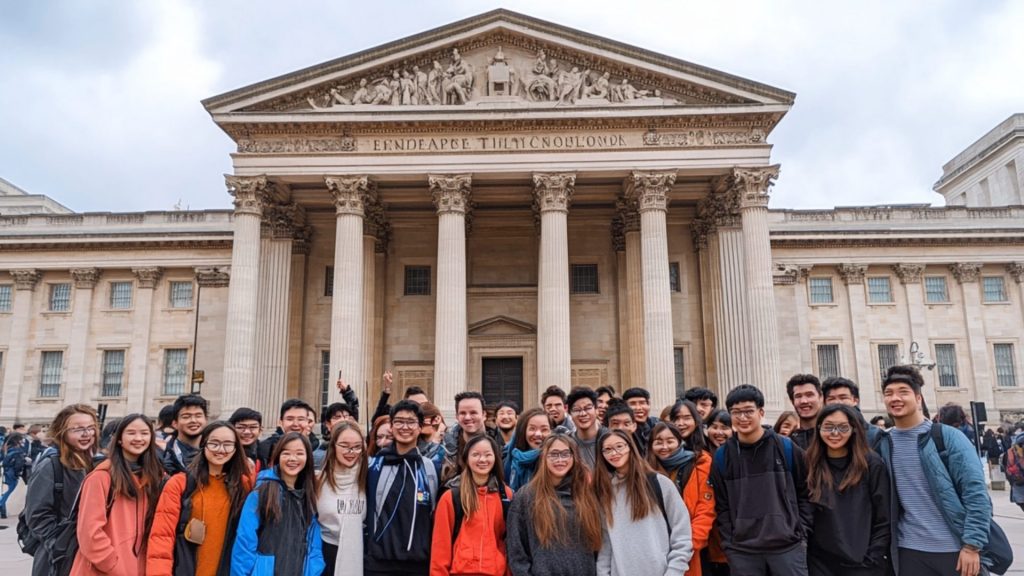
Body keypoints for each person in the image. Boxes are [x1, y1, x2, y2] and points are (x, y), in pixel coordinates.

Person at [875, 365, 991, 576]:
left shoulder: (947, 437)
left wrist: (972, 545)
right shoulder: (882, 442)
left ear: (918, 398)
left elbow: (976, 492)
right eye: (888, 393)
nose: (895, 398)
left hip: (955, 550)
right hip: (908, 551)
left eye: (903, 392)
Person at [711, 384, 812, 576]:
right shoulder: (722, 456)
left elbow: (806, 492)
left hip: (787, 547)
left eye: (749, 411)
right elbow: (722, 506)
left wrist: (801, 532)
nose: (742, 417)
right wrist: (730, 543)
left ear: (761, 412)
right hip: (742, 551)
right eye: (736, 412)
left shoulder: (786, 448)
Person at [148, 421, 253, 576]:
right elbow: (162, 536)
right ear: (204, 444)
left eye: (228, 444)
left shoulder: (244, 485)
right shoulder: (180, 483)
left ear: (236, 448)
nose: (221, 450)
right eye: (214, 443)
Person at [71, 414, 164, 576]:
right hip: (103, 570)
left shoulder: (156, 478)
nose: (138, 438)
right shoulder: (101, 478)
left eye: (144, 433)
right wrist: (112, 564)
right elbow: (89, 533)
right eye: (131, 433)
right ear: (119, 439)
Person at [805, 404, 891, 576]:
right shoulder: (809, 462)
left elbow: (884, 516)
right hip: (819, 563)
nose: (835, 433)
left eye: (843, 427)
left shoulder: (871, 463)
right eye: (828, 427)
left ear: (854, 429)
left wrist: (873, 558)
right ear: (819, 428)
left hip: (862, 563)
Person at [595, 429, 693, 576]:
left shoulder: (659, 483)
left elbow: (682, 534)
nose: (614, 453)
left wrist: (674, 572)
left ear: (630, 447)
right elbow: (606, 544)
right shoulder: (606, 492)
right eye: (607, 450)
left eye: (619, 446)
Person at [507, 434, 603, 576]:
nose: (560, 460)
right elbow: (516, 550)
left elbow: (598, 548)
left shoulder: (587, 494)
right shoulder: (526, 496)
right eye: (553, 454)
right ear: (544, 457)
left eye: (565, 454)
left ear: (574, 457)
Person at [232, 432, 324, 576]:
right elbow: (245, 541)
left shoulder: (310, 495)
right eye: (286, 453)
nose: (292, 458)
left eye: (299, 453)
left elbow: (314, 547)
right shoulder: (262, 492)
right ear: (277, 456)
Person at [24, 404, 101, 576]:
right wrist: (60, 546)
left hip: (90, 553)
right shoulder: (50, 465)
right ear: (62, 432)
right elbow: (37, 516)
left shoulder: (96, 463)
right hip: (59, 557)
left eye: (91, 428)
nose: (86, 434)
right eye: (78, 429)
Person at [364, 400, 439, 576]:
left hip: (418, 564)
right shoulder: (374, 466)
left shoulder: (430, 468)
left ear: (420, 427)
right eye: (399, 421)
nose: (405, 427)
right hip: (379, 564)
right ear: (391, 426)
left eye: (411, 422)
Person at [430, 435, 514, 576]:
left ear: (495, 458)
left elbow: (510, 542)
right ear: (466, 459)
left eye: (488, 455)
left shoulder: (506, 495)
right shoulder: (451, 497)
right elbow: (440, 547)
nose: (482, 460)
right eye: (476, 455)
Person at [648, 422, 715, 576]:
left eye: (670, 441)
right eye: (658, 442)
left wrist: (688, 546)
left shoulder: (698, 464)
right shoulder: (644, 471)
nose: (664, 446)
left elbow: (705, 510)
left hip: (690, 546)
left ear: (680, 442)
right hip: (655, 549)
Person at [316, 421, 367, 576]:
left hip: (360, 552)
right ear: (333, 446)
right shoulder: (317, 480)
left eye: (357, 446)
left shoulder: (369, 477)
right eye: (344, 445)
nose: (351, 451)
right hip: (324, 553)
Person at [257, 398, 317, 468]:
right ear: (281, 422)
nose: (295, 424)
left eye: (301, 419)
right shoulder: (266, 448)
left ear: (307, 422)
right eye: (290, 419)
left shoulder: (316, 447)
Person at [822, 377, 881, 447]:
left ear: (855, 401)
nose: (837, 402)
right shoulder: (820, 434)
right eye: (831, 399)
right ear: (824, 403)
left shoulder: (874, 435)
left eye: (843, 398)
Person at [505, 408, 553, 492]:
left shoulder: (557, 461)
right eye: (532, 429)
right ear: (523, 431)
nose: (538, 434)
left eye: (544, 429)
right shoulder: (509, 459)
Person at [443, 391, 491, 472]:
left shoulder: (500, 447)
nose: (467, 417)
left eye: (473, 413)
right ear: (457, 416)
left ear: (484, 415)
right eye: (462, 413)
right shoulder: (444, 452)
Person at [162, 394, 209, 474]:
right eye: (186, 416)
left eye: (198, 416)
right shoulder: (163, 455)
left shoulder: (215, 452)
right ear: (175, 423)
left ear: (206, 420)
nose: (193, 420)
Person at [567, 387, 604, 468]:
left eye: (588, 408)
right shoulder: (567, 442)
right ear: (570, 414)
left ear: (596, 410)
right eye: (577, 410)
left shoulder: (608, 438)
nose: (583, 414)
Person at [786, 374, 823, 449]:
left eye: (809, 395)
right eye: (798, 396)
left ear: (821, 397)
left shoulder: (834, 437)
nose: (804, 401)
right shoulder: (786, 443)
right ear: (792, 401)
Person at [622, 387, 660, 455]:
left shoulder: (658, 426)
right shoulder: (622, 429)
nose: (638, 408)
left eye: (642, 403)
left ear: (648, 405)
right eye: (633, 404)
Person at [1, 432, 29, 518]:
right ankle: (1, 504)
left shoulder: (5, 448)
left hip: (5, 472)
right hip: (13, 473)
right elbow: (18, 465)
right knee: (9, 491)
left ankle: (3, 511)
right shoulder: (18, 451)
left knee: (5, 491)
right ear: (17, 440)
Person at [229, 407, 263, 472]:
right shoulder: (225, 452)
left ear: (260, 430)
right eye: (241, 427)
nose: (247, 432)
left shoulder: (267, 452)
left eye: (253, 427)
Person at [418, 402, 447, 472]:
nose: (417, 422)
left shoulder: (449, 441)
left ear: (437, 419)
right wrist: (435, 441)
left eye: (421, 419)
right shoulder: (415, 442)